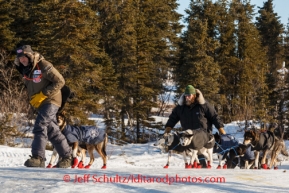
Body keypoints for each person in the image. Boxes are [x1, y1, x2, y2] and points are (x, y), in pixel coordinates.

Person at [14, 45, 72, 168]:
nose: (22, 60)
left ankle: (38, 158)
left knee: (40, 124)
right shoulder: (25, 71)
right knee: (52, 131)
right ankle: (67, 157)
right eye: (20, 58)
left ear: (29, 55)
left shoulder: (43, 65)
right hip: (41, 104)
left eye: (24, 57)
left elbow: (60, 81)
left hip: (52, 100)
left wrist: (44, 94)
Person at [164, 85, 226, 167]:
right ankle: (196, 169)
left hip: (203, 135)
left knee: (200, 153)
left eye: (189, 95)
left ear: (194, 95)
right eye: (186, 95)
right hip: (189, 136)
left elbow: (214, 117)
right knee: (192, 154)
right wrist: (168, 128)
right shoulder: (181, 107)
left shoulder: (203, 105)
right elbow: (173, 117)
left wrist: (220, 129)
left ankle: (205, 169)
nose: (187, 97)